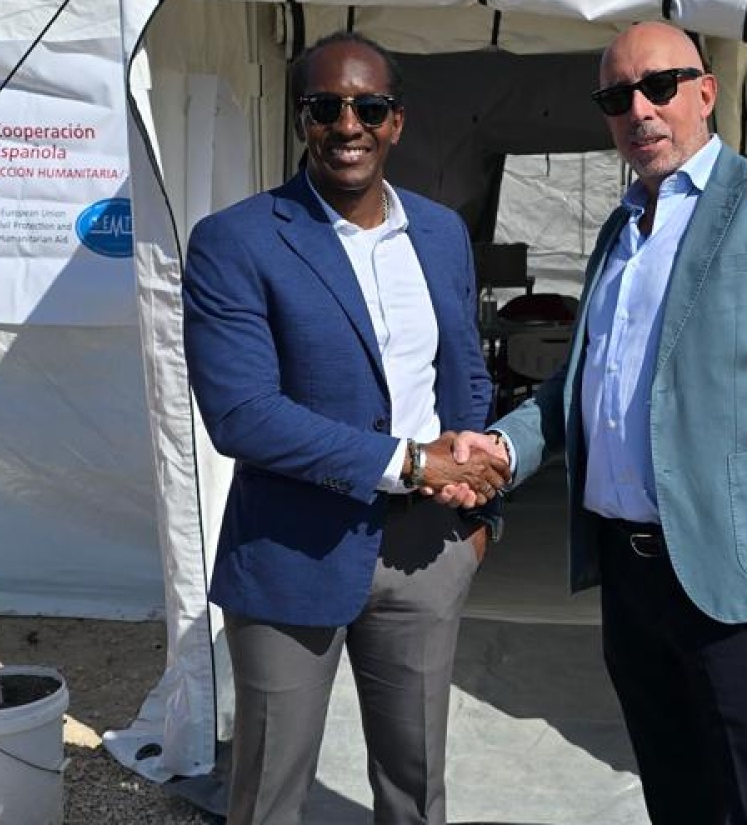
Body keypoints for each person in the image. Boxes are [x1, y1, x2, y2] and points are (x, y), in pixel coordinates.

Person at [442, 22, 747, 825]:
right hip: (630, 575)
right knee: (676, 791)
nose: (640, 111)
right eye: (617, 97)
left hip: (738, 579)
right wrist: (508, 445)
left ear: (705, 91)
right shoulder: (622, 231)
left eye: (659, 86)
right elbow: (587, 383)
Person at [182, 31, 508, 825]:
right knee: (269, 794)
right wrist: (408, 461)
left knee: (415, 786)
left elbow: (463, 370)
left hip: (427, 551)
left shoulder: (438, 231)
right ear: (302, 119)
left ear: (397, 121)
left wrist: (477, 518)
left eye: (369, 106)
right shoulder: (236, 240)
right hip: (292, 552)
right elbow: (242, 414)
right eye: (326, 106)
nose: (348, 124)